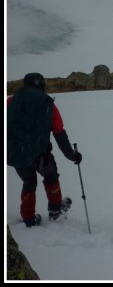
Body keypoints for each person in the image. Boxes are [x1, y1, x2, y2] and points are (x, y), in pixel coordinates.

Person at [7, 73, 82, 227]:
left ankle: (28, 219)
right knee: (51, 176)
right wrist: (72, 155)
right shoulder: (48, 105)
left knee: (28, 182)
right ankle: (55, 209)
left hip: (15, 153)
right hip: (39, 155)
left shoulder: (10, 102)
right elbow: (59, 133)